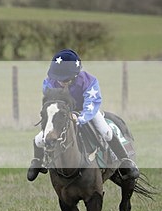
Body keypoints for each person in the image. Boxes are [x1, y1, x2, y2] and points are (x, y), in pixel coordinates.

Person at [27, 48, 139, 181]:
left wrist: (79, 117)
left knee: (106, 131)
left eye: (66, 79)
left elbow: (91, 104)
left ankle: (125, 161)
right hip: (62, 115)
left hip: (86, 111)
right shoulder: (49, 82)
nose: (62, 82)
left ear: (75, 74)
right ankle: (38, 161)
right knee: (39, 139)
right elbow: (50, 103)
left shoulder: (89, 81)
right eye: (59, 79)